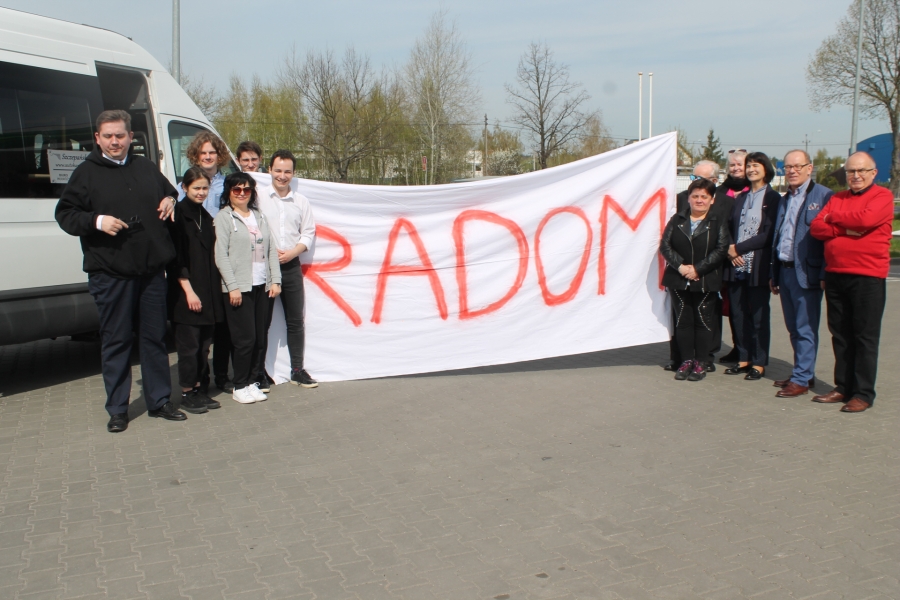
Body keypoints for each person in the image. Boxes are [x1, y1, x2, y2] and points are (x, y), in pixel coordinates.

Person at [55, 109, 186, 432]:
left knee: (154, 340)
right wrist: (97, 221)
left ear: (130, 137)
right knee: (117, 342)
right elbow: (65, 214)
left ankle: (159, 400)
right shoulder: (86, 173)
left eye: (120, 135)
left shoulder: (145, 167)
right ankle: (117, 409)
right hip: (110, 273)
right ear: (97, 138)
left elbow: (170, 191)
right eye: (108, 136)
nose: (115, 141)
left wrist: (170, 199)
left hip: (150, 273)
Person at [810, 152, 893, 413]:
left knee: (864, 337)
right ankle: (843, 386)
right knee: (841, 335)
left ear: (873, 173)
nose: (855, 176)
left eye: (861, 171)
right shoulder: (837, 198)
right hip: (836, 274)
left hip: (867, 276)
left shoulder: (882, 196)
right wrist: (844, 227)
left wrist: (832, 219)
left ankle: (863, 393)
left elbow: (866, 220)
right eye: (850, 171)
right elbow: (816, 227)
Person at [214, 173, 282, 404]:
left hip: (262, 285)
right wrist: (232, 286)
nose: (242, 193)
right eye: (237, 189)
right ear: (229, 192)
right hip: (240, 288)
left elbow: (271, 250)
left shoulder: (258, 216)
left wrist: (275, 280)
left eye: (246, 189)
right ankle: (240, 384)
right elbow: (221, 255)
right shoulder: (224, 217)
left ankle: (253, 381)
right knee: (245, 340)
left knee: (260, 338)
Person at [770, 150, 833, 398]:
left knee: (805, 327)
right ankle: (803, 372)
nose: (792, 171)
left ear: (810, 168)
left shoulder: (824, 196)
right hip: (784, 270)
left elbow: (829, 239)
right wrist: (774, 273)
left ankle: (802, 378)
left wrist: (824, 272)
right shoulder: (785, 198)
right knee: (793, 327)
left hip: (807, 273)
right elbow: (779, 237)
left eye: (798, 166)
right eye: (788, 167)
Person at [257, 150, 318, 389]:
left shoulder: (301, 201)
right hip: (264, 267)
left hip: (292, 266)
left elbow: (308, 233)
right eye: (278, 170)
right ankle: (258, 372)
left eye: (287, 172)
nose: (282, 176)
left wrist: (293, 252)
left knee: (295, 321)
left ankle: (297, 370)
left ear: (293, 173)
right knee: (261, 322)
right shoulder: (258, 198)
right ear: (269, 170)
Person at [166, 166, 225, 414]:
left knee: (203, 347)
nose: (201, 192)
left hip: (208, 291)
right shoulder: (177, 217)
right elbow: (175, 259)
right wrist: (188, 291)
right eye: (196, 188)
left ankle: (200, 389)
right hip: (186, 293)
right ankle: (187, 391)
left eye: (204, 188)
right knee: (189, 348)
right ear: (184, 188)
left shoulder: (206, 216)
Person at [660, 178, 730, 381]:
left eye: (704, 197)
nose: (699, 200)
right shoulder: (677, 219)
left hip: (706, 279)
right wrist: (681, 267)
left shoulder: (718, 221)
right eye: (695, 196)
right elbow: (665, 246)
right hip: (678, 278)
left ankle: (701, 362)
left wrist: (698, 269)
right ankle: (686, 360)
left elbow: (721, 249)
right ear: (688, 198)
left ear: (712, 200)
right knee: (683, 321)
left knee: (703, 321)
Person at [179, 131, 233, 392]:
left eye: (212, 152)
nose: (208, 157)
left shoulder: (228, 184)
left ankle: (219, 376)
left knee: (220, 325)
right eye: (203, 153)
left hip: (222, 256)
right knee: (198, 330)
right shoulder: (185, 189)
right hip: (197, 258)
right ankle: (197, 383)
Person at [722, 152, 779, 381]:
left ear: (766, 170)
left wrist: (739, 248)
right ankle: (743, 358)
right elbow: (727, 226)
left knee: (758, 316)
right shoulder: (741, 198)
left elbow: (768, 234)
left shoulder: (773, 198)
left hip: (757, 266)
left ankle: (759, 362)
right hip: (735, 265)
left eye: (756, 165)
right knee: (738, 314)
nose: (751, 169)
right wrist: (730, 248)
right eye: (749, 166)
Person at [716, 149, 749, 365]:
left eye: (740, 165)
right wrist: (729, 247)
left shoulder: (755, 190)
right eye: (732, 165)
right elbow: (718, 222)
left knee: (748, 308)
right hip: (726, 255)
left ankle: (749, 351)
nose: (736, 168)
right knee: (732, 307)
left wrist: (740, 249)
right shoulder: (720, 192)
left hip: (748, 256)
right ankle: (738, 348)